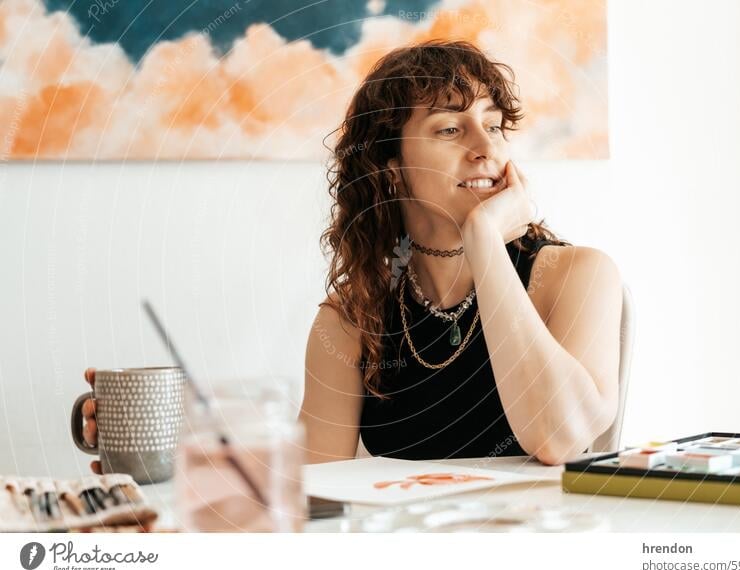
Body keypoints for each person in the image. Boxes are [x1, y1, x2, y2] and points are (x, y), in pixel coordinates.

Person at [78, 40, 622, 472]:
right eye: (450, 128)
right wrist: (169, 444)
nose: (486, 145)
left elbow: (562, 438)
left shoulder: (577, 275)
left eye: (495, 124)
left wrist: (484, 238)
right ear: (391, 166)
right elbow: (308, 478)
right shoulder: (351, 319)